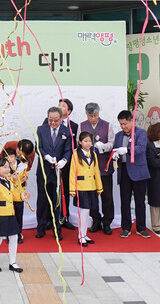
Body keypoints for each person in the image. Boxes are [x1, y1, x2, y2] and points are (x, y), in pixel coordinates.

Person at [78, 102, 115, 235]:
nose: (93, 118)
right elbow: (78, 144)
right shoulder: (82, 126)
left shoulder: (107, 125)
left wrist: (103, 146)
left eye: (95, 115)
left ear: (99, 113)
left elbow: (112, 143)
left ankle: (107, 222)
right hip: (88, 169)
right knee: (91, 196)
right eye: (90, 116)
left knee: (107, 196)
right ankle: (96, 220)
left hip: (104, 167)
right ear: (86, 114)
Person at [35, 106, 72, 240]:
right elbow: (38, 147)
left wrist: (64, 160)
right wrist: (45, 156)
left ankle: (57, 229)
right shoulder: (41, 129)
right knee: (42, 200)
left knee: (57, 201)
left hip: (58, 172)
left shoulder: (66, 131)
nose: (53, 122)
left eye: (56, 120)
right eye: (50, 119)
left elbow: (68, 150)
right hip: (44, 170)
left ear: (61, 118)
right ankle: (41, 228)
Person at [112, 110, 151, 238]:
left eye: (125, 124)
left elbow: (141, 148)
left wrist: (127, 150)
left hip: (138, 171)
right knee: (125, 201)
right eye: (121, 124)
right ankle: (125, 227)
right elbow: (115, 149)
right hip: (124, 170)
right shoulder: (118, 135)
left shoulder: (140, 133)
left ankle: (141, 228)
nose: (123, 126)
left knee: (140, 201)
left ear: (131, 121)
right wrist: (115, 155)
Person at [0, 156, 24, 273]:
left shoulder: (8, 180)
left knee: (14, 237)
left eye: (8, 167)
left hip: (10, 213)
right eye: (5, 167)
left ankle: (13, 262)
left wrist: (22, 196)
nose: (8, 169)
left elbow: (12, 195)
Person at [69, 132, 103, 246]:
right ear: (80, 142)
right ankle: (81, 235)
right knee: (83, 211)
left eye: (90, 141)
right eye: (85, 141)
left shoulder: (94, 154)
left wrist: (99, 187)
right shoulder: (76, 155)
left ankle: (84, 234)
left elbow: (96, 172)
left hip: (91, 186)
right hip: (81, 187)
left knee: (88, 211)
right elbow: (72, 172)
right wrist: (72, 189)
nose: (88, 143)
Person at [56, 99, 79, 231]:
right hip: (52, 163)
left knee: (65, 190)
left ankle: (64, 217)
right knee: (52, 191)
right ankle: (51, 219)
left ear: (68, 111)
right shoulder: (49, 121)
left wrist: (65, 159)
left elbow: (74, 145)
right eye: (58, 105)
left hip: (67, 163)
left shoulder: (74, 126)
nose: (59, 107)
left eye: (63, 106)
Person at [3, 147, 29, 244]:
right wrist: (12, 179)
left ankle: (18, 234)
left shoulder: (22, 165)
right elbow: (3, 181)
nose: (9, 159)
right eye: (7, 157)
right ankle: (9, 235)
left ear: (15, 157)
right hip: (9, 196)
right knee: (9, 216)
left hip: (19, 195)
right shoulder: (3, 168)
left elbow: (26, 175)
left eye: (11, 157)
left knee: (18, 216)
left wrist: (25, 177)